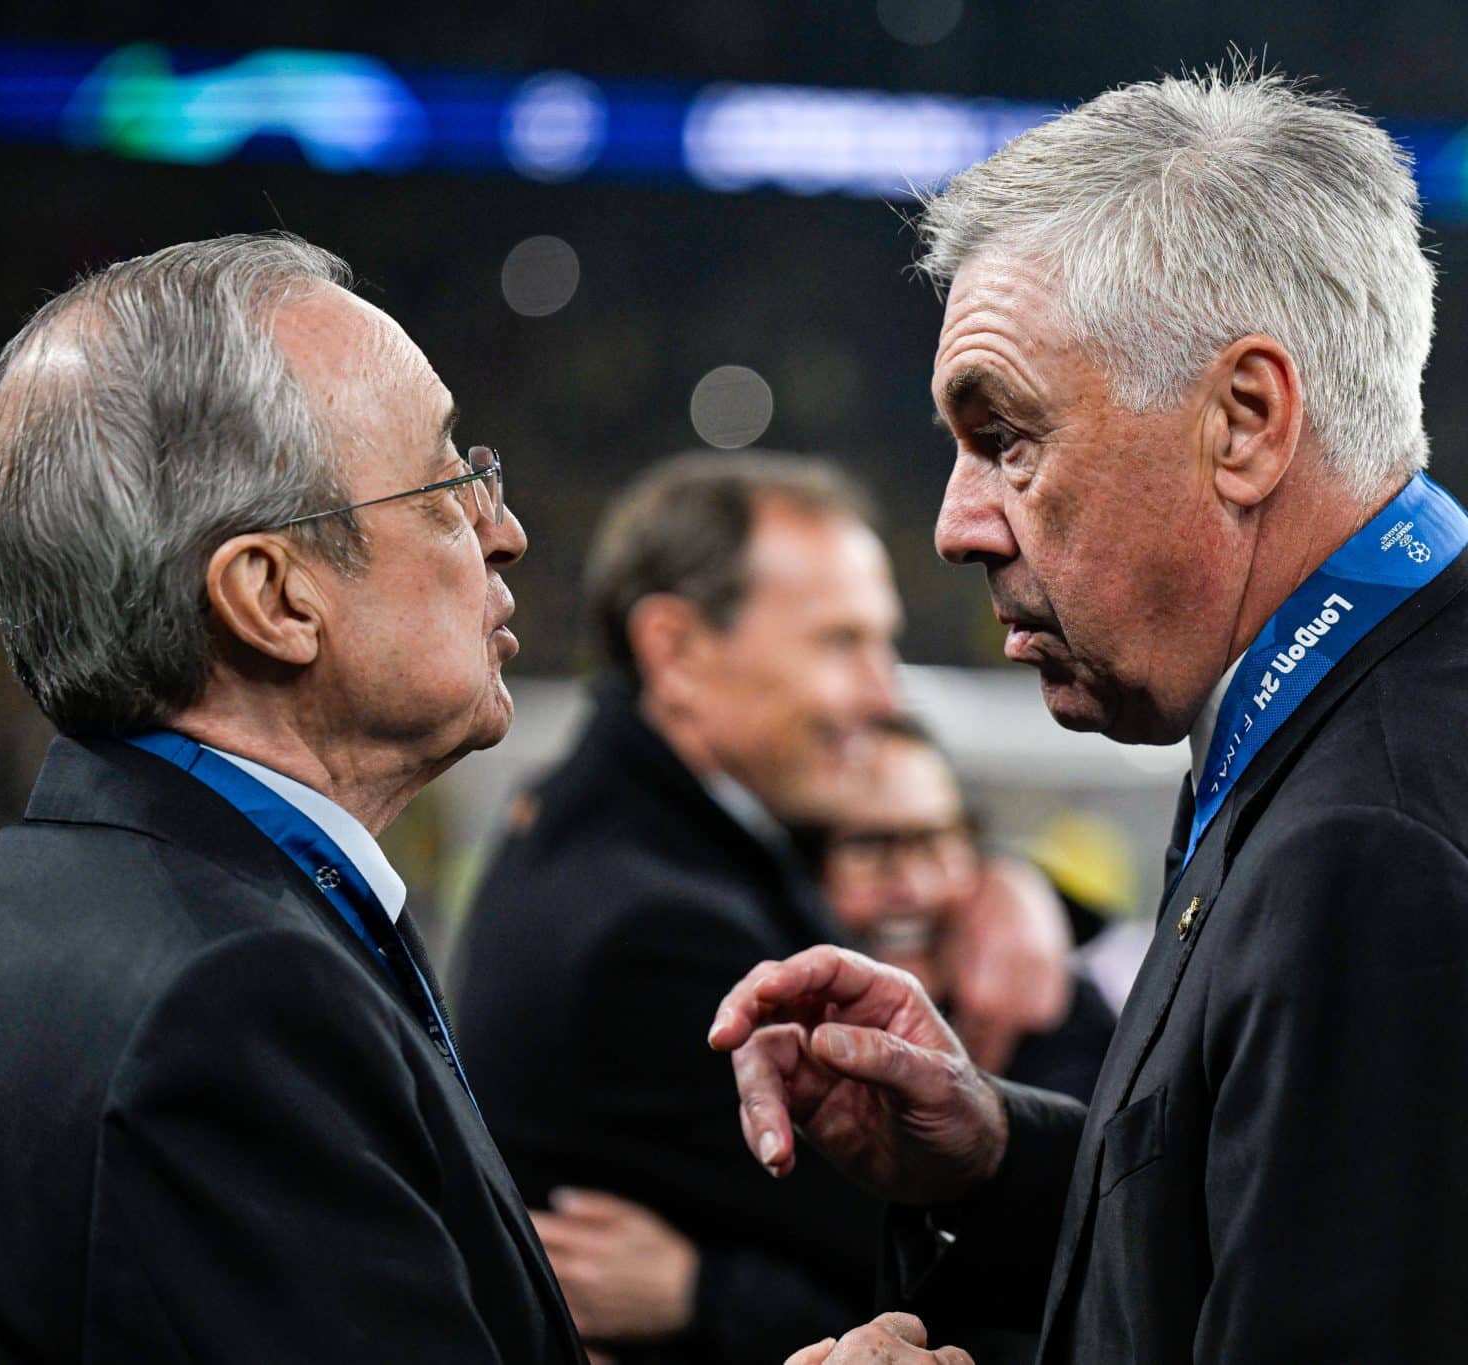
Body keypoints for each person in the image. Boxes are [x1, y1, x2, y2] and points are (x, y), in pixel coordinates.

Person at [711, 68, 1468, 1364]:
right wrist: (1000, 1156)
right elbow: (1329, 1224)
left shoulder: (1386, 856)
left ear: (1244, 422)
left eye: (1008, 436)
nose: (958, 524)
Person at [0, 234, 585, 1362]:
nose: (503, 529)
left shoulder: (58, 901)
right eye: (450, 480)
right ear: (271, 596)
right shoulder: (231, 1004)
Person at [450, 454, 1074, 1364]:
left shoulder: (622, 821)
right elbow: (929, 1289)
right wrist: (708, 1298)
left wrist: (1015, 894)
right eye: (840, 643)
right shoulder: (655, 936)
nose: (882, 691)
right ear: (677, 649)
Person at [811, 717, 1114, 1104]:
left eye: (934, 840)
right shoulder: (747, 996)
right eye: (868, 845)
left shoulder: (1056, 1016)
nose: (913, 889)